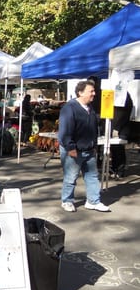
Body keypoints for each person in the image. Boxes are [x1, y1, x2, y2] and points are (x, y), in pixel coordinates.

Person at [58, 80, 110, 212]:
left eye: (93, 91)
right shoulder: (69, 108)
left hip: (89, 149)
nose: (94, 94)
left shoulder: (90, 108)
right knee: (71, 177)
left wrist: (94, 145)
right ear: (80, 92)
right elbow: (65, 131)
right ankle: (67, 201)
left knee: (92, 176)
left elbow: (93, 128)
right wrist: (71, 148)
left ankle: (93, 201)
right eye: (91, 91)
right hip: (74, 150)